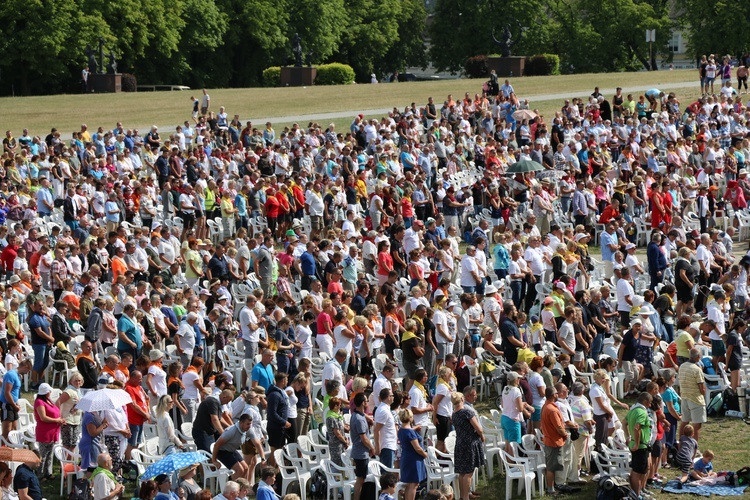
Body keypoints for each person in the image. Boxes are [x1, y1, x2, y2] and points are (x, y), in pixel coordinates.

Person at [451, 391, 485, 500]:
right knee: (469, 473)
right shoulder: (466, 412)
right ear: (462, 399)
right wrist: (482, 435)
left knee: (462, 472)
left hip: (460, 443)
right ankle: (466, 497)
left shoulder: (454, 414)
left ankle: (462, 496)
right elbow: (478, 428)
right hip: (470, 444)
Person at [540, 386, 569, 496]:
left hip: (550, 440)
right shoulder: (551, 410)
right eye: (557, 393)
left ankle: (551, 487)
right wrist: (565, 434)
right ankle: (550, 490)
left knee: (552, 466)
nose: (558, 395)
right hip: (553, 441)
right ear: (553, 395)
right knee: (551, 467)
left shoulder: (546, 406)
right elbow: (559, 427)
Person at [625, 392, 653, 499]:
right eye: (649, 403)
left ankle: (638, 492)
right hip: (640, 446)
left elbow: (624, 422)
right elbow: (637, 428)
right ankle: (635, 495)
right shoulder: (641, 412)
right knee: (637, 472)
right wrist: (636, 443)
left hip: (638, 444)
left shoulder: (632, 410)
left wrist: (628, 437)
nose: (650, 405)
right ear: (645, 402)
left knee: (640, 470)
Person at [34, 382, 65, 480]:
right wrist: (57, 420)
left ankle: (48, 472)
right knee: (43, 454)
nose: (50, 392)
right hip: (44, 432)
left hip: (53, 431)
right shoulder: (39, 402)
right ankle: (40, 474)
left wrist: (59, 419)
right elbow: (43, 417)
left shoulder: (48, 400)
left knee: (50, 454)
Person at [350, 392, 375, 500]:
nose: (367, 403)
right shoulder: (359, 419)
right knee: (360, 479)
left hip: (360, 452)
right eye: (366, 401)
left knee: (361, 479)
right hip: (360, 453)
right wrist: (372, 448)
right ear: (362, 403)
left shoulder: (357, 415)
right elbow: (364, 438)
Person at [397, 408, 427, 500]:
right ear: (410, 418)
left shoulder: (401, 430)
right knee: (414, 484)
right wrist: (424, 454)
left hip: (406, 457)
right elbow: (417, 447)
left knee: (409, 484)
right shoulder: (410, 432)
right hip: (413, 459)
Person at [678, 348, 706, 441]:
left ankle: (680, 443)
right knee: (696, 425)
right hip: (695, 399)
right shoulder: (697, 370)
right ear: (698, 357)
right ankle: (694, 447)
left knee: (684, 421)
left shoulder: (682, 366)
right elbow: (702, 389)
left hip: (685, 397)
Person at [501, 371, 532, 454]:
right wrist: (524, 405)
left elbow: (503, 404)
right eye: (518, 378)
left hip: (504, 417)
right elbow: (520, 409)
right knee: (513, 447)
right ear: (516, 380)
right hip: (512, 420)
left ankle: (507, 464)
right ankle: (512, 466)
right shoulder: (516, 391)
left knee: (507, 445)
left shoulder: (505, 389)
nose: (519, 380)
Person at [212, 414, 251, 480]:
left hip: (231, 450)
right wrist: (214, 460)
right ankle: (232, 487)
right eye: (247, 424)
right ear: (241, 423)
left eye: (250, 424)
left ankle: (242, 487)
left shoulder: (244, 429)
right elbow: (216, 445)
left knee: (246, 468)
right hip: (222, 452)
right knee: (239, 470)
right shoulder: (231, 431)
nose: (249, 426)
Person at [0, 358, 31, 441]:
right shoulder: (11, 375)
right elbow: (7, 392)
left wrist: (16, 404)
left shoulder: (17, 375)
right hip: (7, 404)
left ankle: (11, 450)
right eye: (28, 370)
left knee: (14, 430)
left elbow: (15, 392)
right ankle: (3, 451)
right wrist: (14, 405)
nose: (27, 373)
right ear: (25, 367)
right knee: (6, 432)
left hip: (13, 405)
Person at [265, 372, 290, 466]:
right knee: (275, 451)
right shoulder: (275, 395)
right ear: (283, 381)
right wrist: (283, 421)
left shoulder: (281, 393)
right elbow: (272, 413)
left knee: (279, 451)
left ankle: (276, 472)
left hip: (280, 427)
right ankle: (270, 471)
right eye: (286, 380)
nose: (287, 382)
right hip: (275, 427)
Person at [373, 387, 398, 468]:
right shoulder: (383, 410)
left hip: (389, 445)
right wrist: (378, 447)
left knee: (388, 471)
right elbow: (377, 430)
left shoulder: (385, 409)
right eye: (392, 395)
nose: (393, 397)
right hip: (386, 446)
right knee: (387, 472)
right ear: (388, 397)